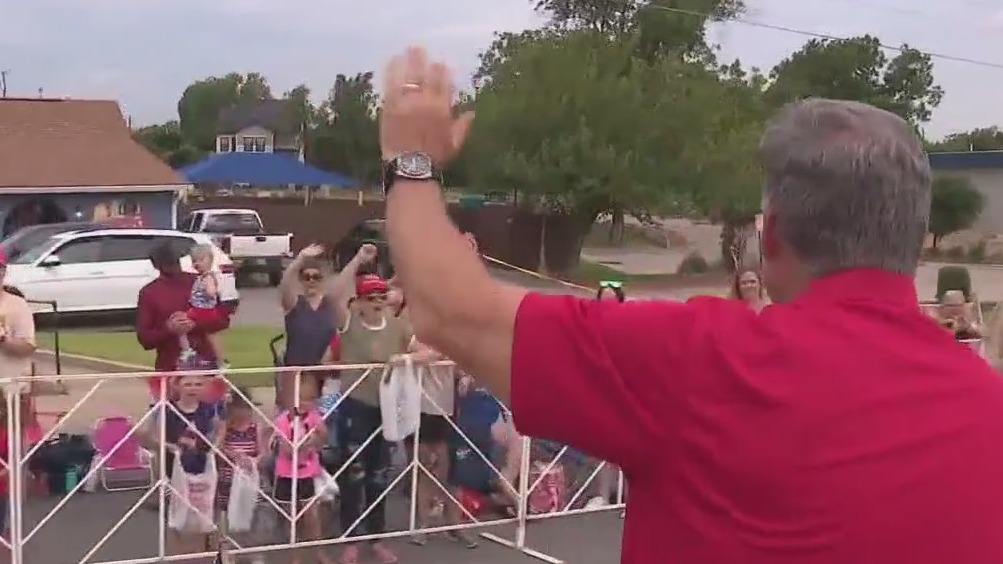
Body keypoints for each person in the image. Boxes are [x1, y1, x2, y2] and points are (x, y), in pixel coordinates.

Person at [379, 47, 1003, 564]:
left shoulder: (700, 363)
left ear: (773, 234)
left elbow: (448, 308)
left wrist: (411, 160)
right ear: (916, 239)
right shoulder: (986, 403)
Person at [333, 274, 415, 564]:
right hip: (356, 406)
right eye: (371, 297)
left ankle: (376, 538)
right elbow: (333, 295)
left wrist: (407, 360)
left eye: (382, 296)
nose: (378, 302)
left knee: (378, 475)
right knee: (353, 474)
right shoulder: (350, 324)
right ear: (359, 303)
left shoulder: (396, 325)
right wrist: (357, 260)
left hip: (386, 408)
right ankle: (351, 540)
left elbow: (429, 352)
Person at [277, 243, 377, 410]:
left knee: (323, 423)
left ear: (323, 279)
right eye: (306, 277)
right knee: (294, 421)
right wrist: (300, 259)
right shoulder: (294, 304)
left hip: (325, 374)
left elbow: (342, 283)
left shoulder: (329, 303)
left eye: (316, 277)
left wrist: (359, 258)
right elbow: (285, 285)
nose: (311, 281)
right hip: (297, 374)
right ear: (301, 279)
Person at [137, 244, 231, 404]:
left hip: (204, 366)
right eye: (168, 263)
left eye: (173, 262)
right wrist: (169, 329)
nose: (172, 267)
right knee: (170, 421)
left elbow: (222, 321)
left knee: (210, 417)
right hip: (171, 369)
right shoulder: (149, 293)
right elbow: (145, 338)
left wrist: (194, 324)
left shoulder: (200, 282)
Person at [272, 378, 333, 564]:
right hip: (286, 474)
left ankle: (318, 551)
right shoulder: (282, 421)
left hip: (306, 473)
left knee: (311, 515)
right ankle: (294, 555)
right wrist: (302, 445)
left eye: (310, 399)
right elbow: (285, 449)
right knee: (291, 517)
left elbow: (324, 436)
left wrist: (316, 438)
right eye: (300, 398)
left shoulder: (314, 417)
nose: (305, 403)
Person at [212, 389, 267, 563]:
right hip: (228, 479)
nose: (245, 413)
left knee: (251, 518)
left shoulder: (255, 427)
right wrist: (233, 456)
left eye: (247, 409)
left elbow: (263, 453)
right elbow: (216, 449)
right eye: (240, 409)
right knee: (227, 521)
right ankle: (228, 556)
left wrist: (252, 461)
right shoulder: (225, 427)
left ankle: (254, 554)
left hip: (248, 479)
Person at [0, 249, 38, 389]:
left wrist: (3, 339)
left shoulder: (18, 305)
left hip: (9, 389)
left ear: (4, 271)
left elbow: (27, 348)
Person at [185, 244, 224, 364]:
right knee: (208, 336)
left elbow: (211, 291)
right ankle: (202, 355)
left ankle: (188, 351)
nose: (197, 263)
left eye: (201, 260)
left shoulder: (208, 277)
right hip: (199, 310)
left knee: (181, 324)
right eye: (194, 261)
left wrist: (212, 292)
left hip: (203, 311)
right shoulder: (200, 277)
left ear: (210, 260)